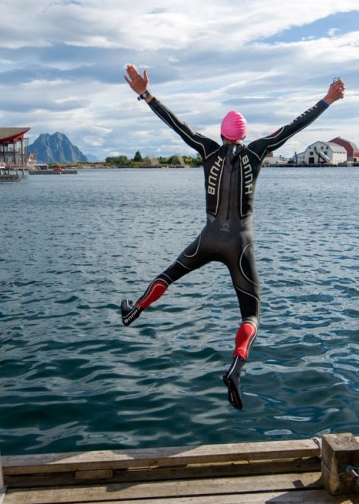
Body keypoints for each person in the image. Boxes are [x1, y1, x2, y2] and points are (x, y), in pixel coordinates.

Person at [119, 65, 345, 409]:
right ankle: (236, 368)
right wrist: (327, 100)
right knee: (251, 315)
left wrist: (145, 93)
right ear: (243, 135)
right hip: (240, 244)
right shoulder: (257, 151)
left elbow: (177, 124)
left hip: (208, 237)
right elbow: (295, 125)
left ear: (222, 134)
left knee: (170, 274)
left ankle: (134, 310)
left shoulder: (207, 149)